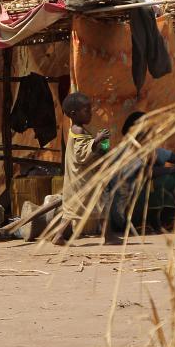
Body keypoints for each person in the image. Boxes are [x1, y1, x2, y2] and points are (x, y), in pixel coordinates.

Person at [105, 111, 175, 237]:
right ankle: (158, 220)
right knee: (163, 180)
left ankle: (169, 217)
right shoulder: (127, 152)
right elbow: (147, 173)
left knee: (173, 176)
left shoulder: (147, 149)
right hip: (124, 216)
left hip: (133, 210)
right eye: (148, 128)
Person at [56, 92, 111, 245]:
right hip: (83, 180)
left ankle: (58, 235)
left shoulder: (78, 130)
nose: (90, 113)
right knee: (102, 204)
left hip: (79, 178)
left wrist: (103, 144)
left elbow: (91, 152)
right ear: (74, 114)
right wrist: (97, 140)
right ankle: (109, 236)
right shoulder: (78, 130)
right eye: (86, 111)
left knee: (71, 209)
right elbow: (81, 155)